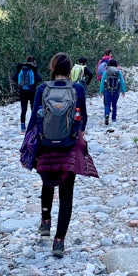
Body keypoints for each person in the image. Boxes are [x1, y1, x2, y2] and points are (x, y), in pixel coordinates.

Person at [26, 52, 98, 257]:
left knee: (47, 181)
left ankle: (45, 221)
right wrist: (80, 138)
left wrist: (29, 146)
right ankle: (59, 242)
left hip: (46, 144)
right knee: (67, 193)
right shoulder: (77, 89)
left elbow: (34, 119)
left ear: (53, 67)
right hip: (69, 145)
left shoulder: (42, 88)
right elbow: (83, 117)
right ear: (69, 70)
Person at [13, 56, 43, 132]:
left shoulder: (21, 68)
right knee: (33, 109)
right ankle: (34, 125)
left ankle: (23, 127)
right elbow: (39, 79)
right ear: (34, 61)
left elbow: (14, 78)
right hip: (32, 92)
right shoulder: (33, 68)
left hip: (22, 92)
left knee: (23, 110)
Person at [99, 58, 126, 126]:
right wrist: (123, 90)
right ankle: (113, 118)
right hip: (116, 91)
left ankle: (107, 114)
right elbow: (122, 81)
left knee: (107, 104)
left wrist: (101, 91)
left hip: (107, 90)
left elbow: (102, 81)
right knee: (114, 104)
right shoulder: (118, 72)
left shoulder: (106, 71)